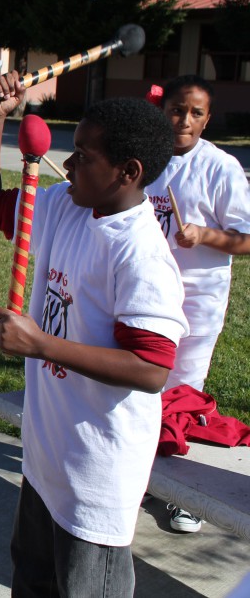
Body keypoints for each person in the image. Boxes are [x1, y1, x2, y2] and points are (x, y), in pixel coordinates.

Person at [0, 71, 188, 597]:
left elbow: (152, 368)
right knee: (34, 580)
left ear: (127, 172)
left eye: (84, 156)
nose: (67, 165)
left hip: (97, 473)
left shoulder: (141, 256)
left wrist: (39, 344)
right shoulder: (65, 206)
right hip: (47, 457)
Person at [144, 74, 250, 533]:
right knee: (142, 389)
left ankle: (185, 495)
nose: (184, 120)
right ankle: (141, 475)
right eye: (176, 109)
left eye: (196, 112)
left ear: (207, 119)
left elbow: (246, 238)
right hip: (143, 296)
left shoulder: (221, 167)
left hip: (197, 300)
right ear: (162, 110)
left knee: (182, 394)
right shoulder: (147, 157)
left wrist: (204, 235)